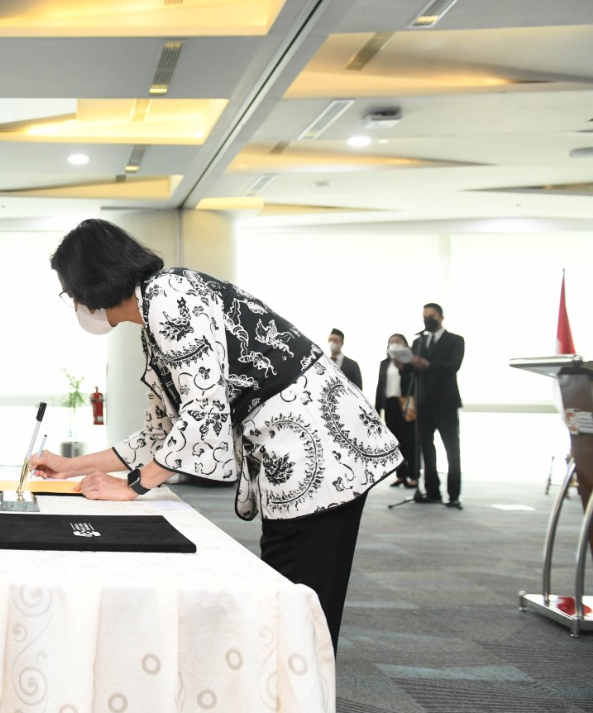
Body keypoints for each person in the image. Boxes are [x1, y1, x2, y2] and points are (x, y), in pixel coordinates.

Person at [31, 219, 400, 651]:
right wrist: (70, 466)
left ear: (92, 280)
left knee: (299, 603)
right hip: (296, 454)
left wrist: (131, 488)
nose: (75, 303)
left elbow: (205, 411)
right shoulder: (157, 314)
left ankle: (301, 688)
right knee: (289, 598)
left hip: (320, 451)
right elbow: (160, 435)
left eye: (70, 292)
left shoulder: (169, 297)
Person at [409, 303, 466, 509]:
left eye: (431, 316)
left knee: (451, 448)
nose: (427, 320)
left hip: (446, 402)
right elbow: (412, 372)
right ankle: (432, 491)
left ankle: (454, 494)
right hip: (423, 402)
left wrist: (429, 365)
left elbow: (453, 366)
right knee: (426, 448)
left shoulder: (455, 340)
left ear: (441, 317)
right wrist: (404, 365)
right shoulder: (418, 341)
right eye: (424, 316)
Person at [376, 333, 418, 489]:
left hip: (407, 402)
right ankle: (401, 475)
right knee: (395, 440)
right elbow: (380, 385)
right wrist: (377, 408)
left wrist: (404, 366)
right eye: (391, 342)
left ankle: (413, 475)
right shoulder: (385, 363)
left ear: (405, 344)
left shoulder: (410, 362)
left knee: (410, 439)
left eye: (398, 341)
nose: (394, 344)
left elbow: (412, 381)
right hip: (390, 403)